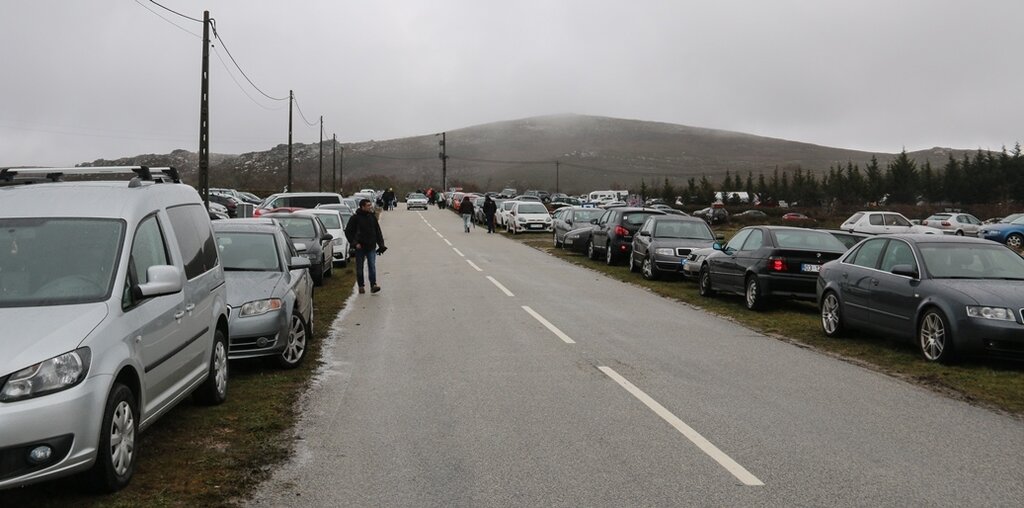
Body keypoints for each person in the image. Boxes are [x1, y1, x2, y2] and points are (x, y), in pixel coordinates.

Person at [344, 199, 386, 294]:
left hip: (371, 246)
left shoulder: (372, 217)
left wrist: (381, 244)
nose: (370, 207)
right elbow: (348, 232)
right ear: (362, 207)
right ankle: (361, 286)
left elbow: (377, 231)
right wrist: (355, 243)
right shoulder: (355, 218)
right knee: (360, 268)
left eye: (370, 205)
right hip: (360, 247)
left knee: (372, 266)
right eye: (368, 205)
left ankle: (373, 285)